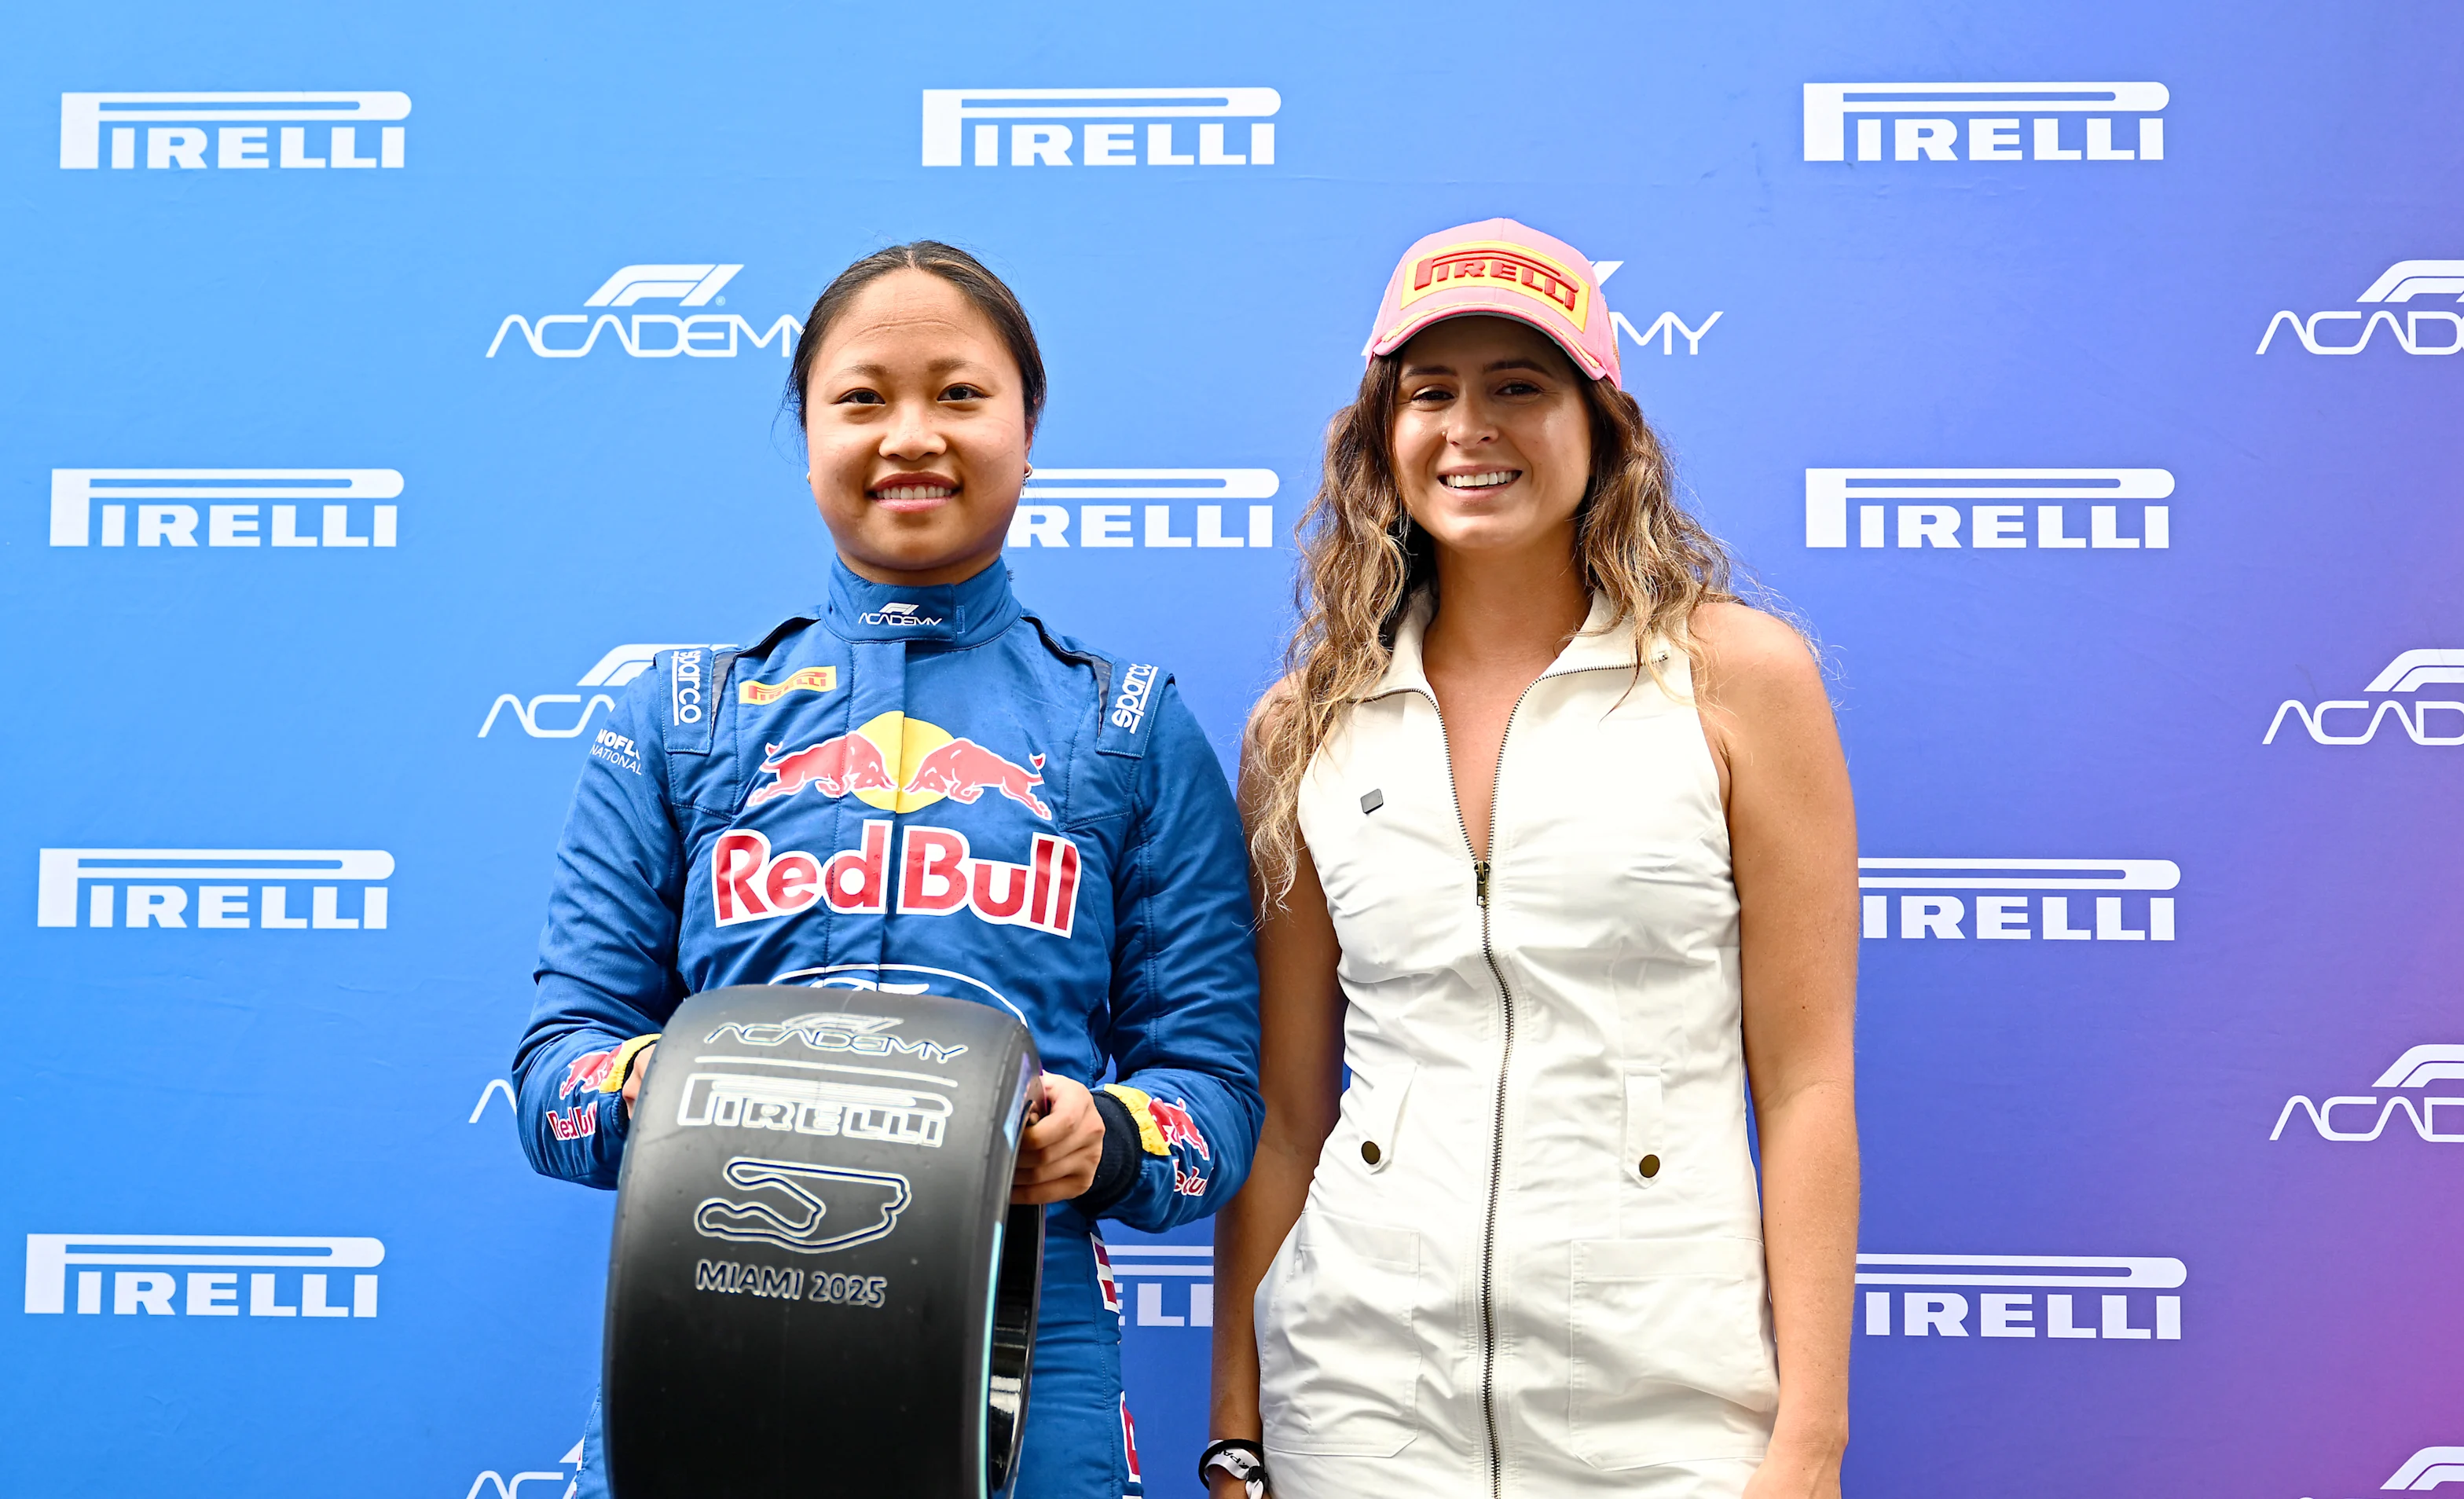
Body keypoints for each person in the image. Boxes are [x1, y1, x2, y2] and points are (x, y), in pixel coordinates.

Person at [512, 240, 1261, 1499]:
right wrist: (684, 1086)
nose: (912, 435)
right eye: (863, 398)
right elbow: (552, 1086)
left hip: (1029, 1352)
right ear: (805, 435)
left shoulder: (1127, 727)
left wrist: (1107, 1136)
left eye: (960, 394)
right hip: (709, 1334)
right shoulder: (682, 714)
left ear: (1030, 431)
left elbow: (1219, 1103)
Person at [1204, 219, 1859, 1499]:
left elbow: (1808, 1090)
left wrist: (1811, 1441)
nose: (1470, 428)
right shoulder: (1302, 726)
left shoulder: (1740, 682)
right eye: (1430, 392)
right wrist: (1240, 1424)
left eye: (1520, 387)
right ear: (1379, 437)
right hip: (1359, 1405)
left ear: (1603, 423)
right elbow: (1287, 1116)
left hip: (1670, 1407)